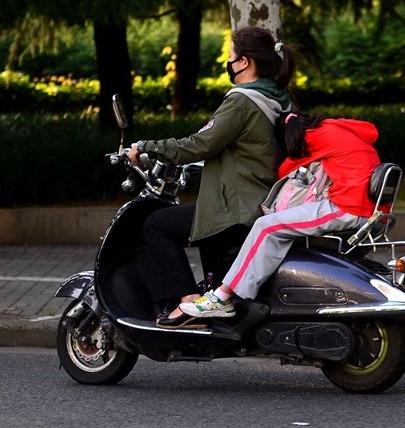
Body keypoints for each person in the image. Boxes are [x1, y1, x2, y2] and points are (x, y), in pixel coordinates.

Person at [127, 27, 297, 328]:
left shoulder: (243, 101)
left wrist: (146, 147)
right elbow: (243, 153)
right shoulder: (280, 100)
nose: (228, 63)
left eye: (230, 57)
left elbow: (200, 143)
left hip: (235, 210)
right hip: (260, 202)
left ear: (244, 62)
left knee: (156, 225)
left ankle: (189, 302)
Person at [179, 111, 383, 319]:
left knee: (266, 225)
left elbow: (284, 169)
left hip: (350, 208)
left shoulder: (314, 137)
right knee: (275, 226)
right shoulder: (336, 129)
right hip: (367, 207)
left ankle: (222, 297)